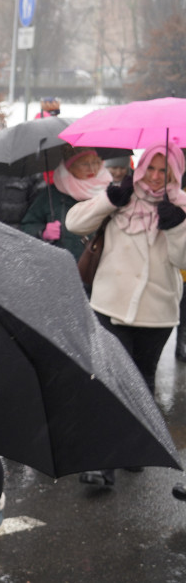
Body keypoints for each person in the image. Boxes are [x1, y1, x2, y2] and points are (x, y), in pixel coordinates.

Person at [66, 144, 186, 487]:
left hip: (156, 311)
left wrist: (177, 227)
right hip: (110, 303)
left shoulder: (181, 205)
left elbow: (184, 261)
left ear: (176, 174)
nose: (155, 177)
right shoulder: (122, 196)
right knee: (112, 382)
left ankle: (135, 447)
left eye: (166, 171)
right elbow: (75, 222)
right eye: (151, 168)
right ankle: (104, 465)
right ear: (141, 165)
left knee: (141, 381)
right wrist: (109, 200)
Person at [21, 147, 111, 260]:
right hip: (62, 266)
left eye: (95, 162)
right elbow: (28, 225)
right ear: (70, 167)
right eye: (84, 164)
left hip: (99, 266)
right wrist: (42, 232)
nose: (92, 168)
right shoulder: (51, 194)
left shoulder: (109, 192)